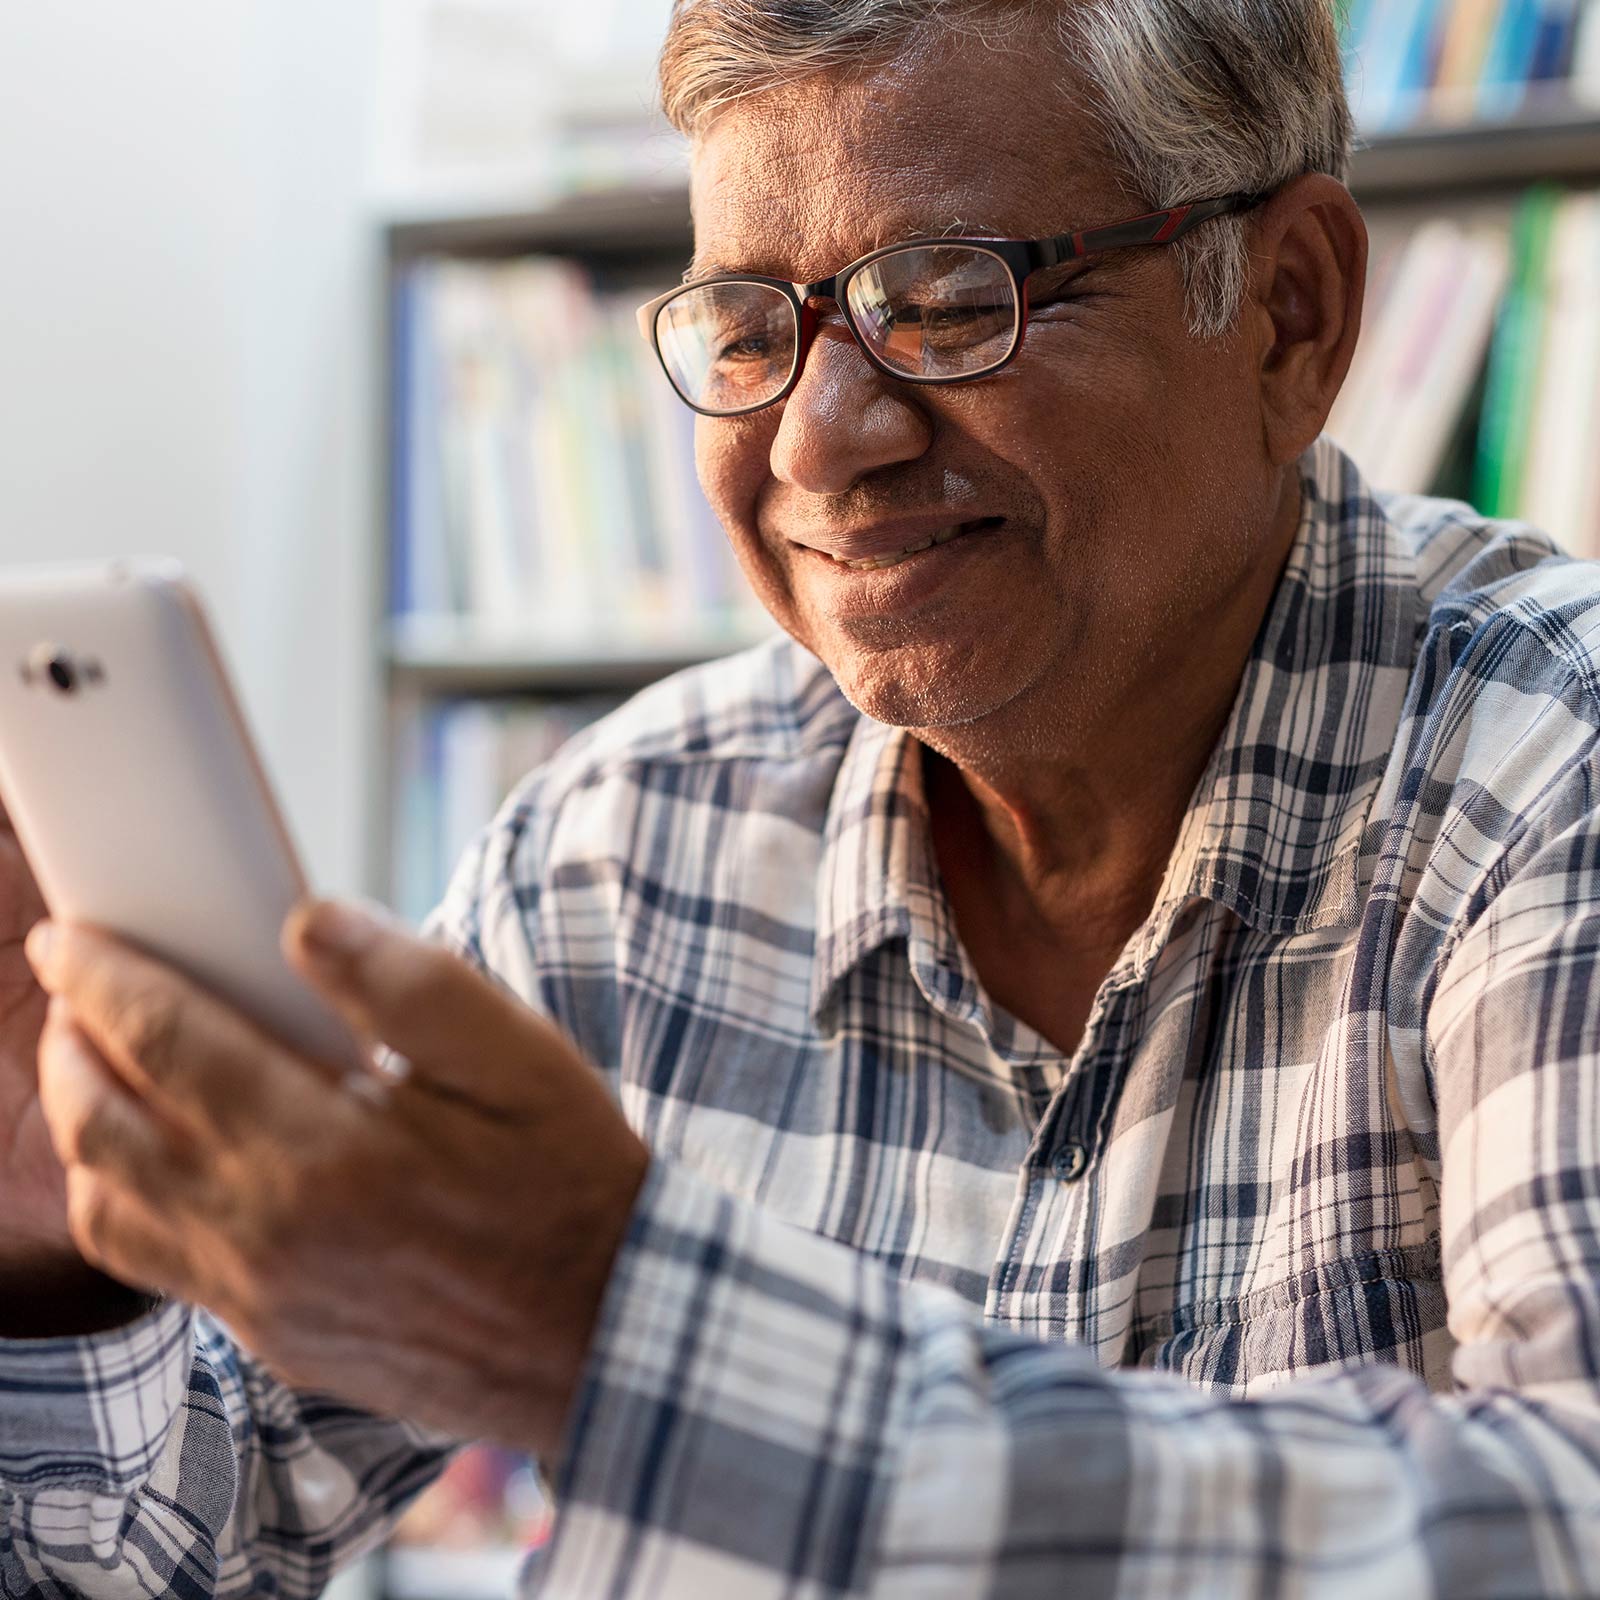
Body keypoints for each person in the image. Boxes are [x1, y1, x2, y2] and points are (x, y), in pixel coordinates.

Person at [3, 0, 1599, 1595]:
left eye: (952, 300)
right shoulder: (617, 851)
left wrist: (613, 1329)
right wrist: (45, 1242)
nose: (822, 445)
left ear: (1289, 316)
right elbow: (156, 1554)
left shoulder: (1548, 770)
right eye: (752, 329)